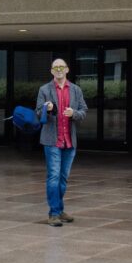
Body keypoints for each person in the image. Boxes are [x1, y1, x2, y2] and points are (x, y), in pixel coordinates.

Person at [36, 58, 87, 226]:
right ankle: (53, 214)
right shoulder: (44, 90)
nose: (59, 70)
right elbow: (37, 113)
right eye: (55, 67)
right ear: (51, 71)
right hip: (52, 141)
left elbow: (84, 111)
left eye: (61, 67)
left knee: (63, 179)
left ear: (67, 69)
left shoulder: (76, 90)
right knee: (53, 177)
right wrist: (46, 109)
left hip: (69, 141)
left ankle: (59, 209)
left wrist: (74, 113)